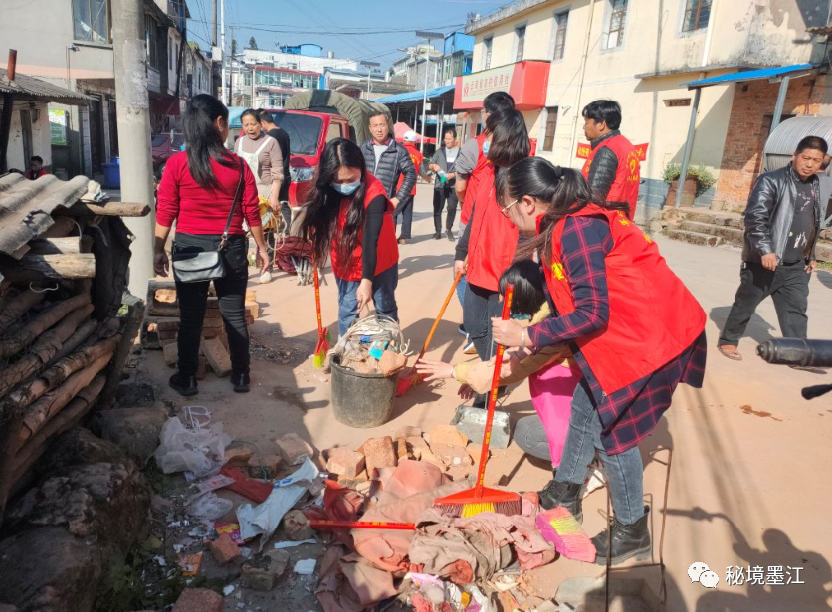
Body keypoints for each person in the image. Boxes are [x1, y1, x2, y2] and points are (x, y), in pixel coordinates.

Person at [492, 157, 707, 565]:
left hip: (652, 339)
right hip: (633, 331)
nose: (508, 217)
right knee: (584, 405)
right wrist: (532, 340)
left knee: (615, 436)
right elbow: (574, 303)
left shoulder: (577, 229)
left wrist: (527, 334)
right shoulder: (565, 224)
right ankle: (565, 488)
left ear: (527, 202)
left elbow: (592, 313)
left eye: (507, 209)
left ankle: (632, 533)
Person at [154, 94, 270, 397]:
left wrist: (157, 248)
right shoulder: (238, 166)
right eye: (228, 123)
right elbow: (251, 211)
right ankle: (241, 376)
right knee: (233, 315)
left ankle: (187, 378)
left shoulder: (177, 163)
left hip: (190, 249)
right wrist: (262, 248)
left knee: (190, 318)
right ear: (219, 123)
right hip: (230, 247)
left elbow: (166, 210)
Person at [416, 260, 581, 467]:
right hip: (574, 394)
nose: (502, 300)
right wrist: (476, 377)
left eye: (506, 295)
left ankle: (582, 461)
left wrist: (453, 371)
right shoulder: (549, 306)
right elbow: (516, 354)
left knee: (526, 434)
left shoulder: (554, 330)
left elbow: (516, 367)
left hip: (580, 403)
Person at [717, 135, 827, 361]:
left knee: (796, 308)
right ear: (794, 156)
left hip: (796, 262)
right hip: (766, 259)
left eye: (816, 160)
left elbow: (812, 222)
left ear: (823, 162)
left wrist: (810, 254)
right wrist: (766, 249)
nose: (809, 164)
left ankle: (798, 352)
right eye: (805, 158)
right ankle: (728, 340)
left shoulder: (816, 184)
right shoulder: (771, 180)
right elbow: (755, 217)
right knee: (747, 302)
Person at [300, 138, 399, 337]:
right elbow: (317, 218)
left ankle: (389, 347)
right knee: (348, 308)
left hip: (379, 258)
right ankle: (345, 349)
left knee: (384, 306)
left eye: (351, 179)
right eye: (339, 181)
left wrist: (366, 281)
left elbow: (371, 241)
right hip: (345, 257)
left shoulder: (374, 192)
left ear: (361, 168)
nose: (345, 185)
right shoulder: (325, 187)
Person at [455, 108, 530, 365]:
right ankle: (491, 371)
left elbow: (528, 232)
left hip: (503, 271)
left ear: (506, 138)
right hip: (478, 265)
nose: (485, 141)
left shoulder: (523, 179)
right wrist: (460, 252)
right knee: (474, 325)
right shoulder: (489, 171)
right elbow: (475, 216)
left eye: (490, 135)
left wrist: (514, 273)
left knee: (499, 332)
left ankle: (491, 387)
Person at [453, 92, 515, 346]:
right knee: (475, 288)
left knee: (482, 292)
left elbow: (460, 187)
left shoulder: (511, 168)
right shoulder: (490, 162)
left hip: (490, 238)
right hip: (476, 227)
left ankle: (482, 336)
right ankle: (478, 330)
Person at [360, 112, 416, 244]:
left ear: (388, 127)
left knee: (382, 243)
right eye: (375, 126)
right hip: (362, 203)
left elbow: (411, 174)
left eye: (382, 125)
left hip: (383, 205)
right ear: (370, 128)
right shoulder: (364, 147)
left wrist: (398, 198)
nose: (379, 129)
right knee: (363, 241)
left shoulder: (399, 150)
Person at [580, 100, 640, 219]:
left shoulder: (606, 150)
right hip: (622, 220)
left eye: (587, 122)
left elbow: (594, 196)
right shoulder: (625, 145)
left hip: (605, 222)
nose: (584, 127)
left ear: (601, 124)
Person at [235, 108, 284, 217]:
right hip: (243, 194)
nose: (250, 128)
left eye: (253, 124)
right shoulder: (239, 142)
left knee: (263, 231)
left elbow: (277, 172)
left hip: (264, 195)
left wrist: (274, 197)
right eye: (246, 125)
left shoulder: (271, 142)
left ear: (260, 124)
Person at [258, 110, 292, 231]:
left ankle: (267, 229)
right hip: (286, 173)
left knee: (269, 203)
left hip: (275, 175)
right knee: (283, 202)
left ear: (262, 122)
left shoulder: (271, 137)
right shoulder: (284, 133)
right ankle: (287, 230)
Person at [428, 127, 460, 241]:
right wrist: (434, 166)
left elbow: (465, 169)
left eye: (449, 139)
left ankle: (449, 229)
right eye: (445, 139)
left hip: (453, 185)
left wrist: (454, 174)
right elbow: (430, 165)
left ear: (455, 139)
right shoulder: (439, 151)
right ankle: (437, 231)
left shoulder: (460, 152)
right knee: (437, 208)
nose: (447, 141)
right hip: (440, 183)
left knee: (452, 208)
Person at [395, 130, 424, 241]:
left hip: (399, 187)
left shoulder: (398, 150)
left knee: (393, 212)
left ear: (404, 140)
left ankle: (390, 236)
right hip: (411, 188)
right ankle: (404, 236)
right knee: (407, 213)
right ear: (414, 142)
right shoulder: (418, 154)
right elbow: (422, 171)